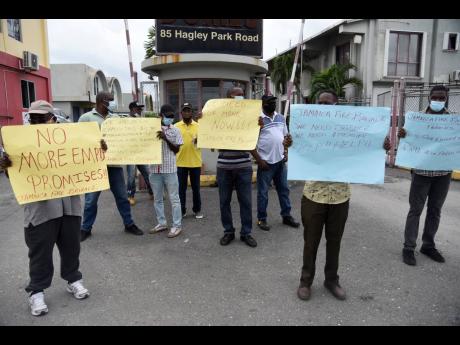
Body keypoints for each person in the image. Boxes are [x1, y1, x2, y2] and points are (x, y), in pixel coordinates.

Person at [297, 90, 391, 301]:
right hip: (314, 195)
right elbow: (293, 153)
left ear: (337, 106)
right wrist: (288, 144)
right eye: (320, 103)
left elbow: (365, 149)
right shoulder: (306, 127)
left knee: (335, 241)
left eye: (328, 103)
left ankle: (331, 280)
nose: (323, 107)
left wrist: (381, 147)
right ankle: (305, 281)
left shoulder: (350, 129)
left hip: (340, 196)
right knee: (310, 242)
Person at [0, 100, 92, 316]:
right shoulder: (20, 144)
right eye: (33, 118)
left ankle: (73, 279)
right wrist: (6, 165)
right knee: (39, 252)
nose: (38, 121)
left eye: (42, 117)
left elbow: (89, 159)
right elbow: (13, 173)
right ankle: (36, 291)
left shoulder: (70, 141)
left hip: (69, 206)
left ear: (52, 118)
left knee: (71, 247)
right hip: (40, 210)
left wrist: (98, 149)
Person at [79, 92, 143, 241]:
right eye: (111, 101)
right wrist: (96, 144)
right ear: (102, 101)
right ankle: (85, 228)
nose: (113, 104)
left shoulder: (115, 119)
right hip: (95, 166)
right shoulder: (86, 118)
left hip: (114, 165)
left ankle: (129, 224)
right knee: (90, 200)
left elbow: (127, 135)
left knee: (122, 196)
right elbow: (80, 141)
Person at [399, 85, 452, 266]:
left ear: (446, 98)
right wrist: (403, 135)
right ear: (429, 98)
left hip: (443, 173)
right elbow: (406, 140)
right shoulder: (416, 119)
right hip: (421, 173)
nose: (438, 100)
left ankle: (428, 245)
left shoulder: (453, 120)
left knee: (435, 210)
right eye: (435, 97)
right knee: (415, 210)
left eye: (441, 98)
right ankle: (408, 247)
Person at [215, 87, 265, 248]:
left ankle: (246, 233)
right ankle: (228, 231)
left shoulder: (250, 116)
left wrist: (259, 127)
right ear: (228, 98)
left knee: (246, 201)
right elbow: (211, 140)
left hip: (244, 166)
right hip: (224, 167)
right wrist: (204, 121)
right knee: (224, 202)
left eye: (242, 95)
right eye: (235, 95)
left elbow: (253, 140)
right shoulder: (219, 116)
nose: (240, 97)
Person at [255, 94, 300, 231]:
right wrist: (259, 160)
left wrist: (286, 150)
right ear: (263, 104)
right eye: (269, 102)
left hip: (280, 161)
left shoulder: (281, 117)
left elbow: (286, 138)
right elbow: (250, 141)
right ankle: (261, 219)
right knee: (263, 193)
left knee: (284, 190)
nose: (272, 104)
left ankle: (286, 215)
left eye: (274, 101)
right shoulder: (258, 120)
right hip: (265, 163)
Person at [148, 104, 184, 238]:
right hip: (154, 169)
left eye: (172, 116)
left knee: (174, 199)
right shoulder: (151, 129)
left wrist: (165, 138)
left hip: (169, 169)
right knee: (157, 199)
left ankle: (177, 226)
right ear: (160, 115)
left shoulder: (175, 130)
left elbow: (176, 150)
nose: (170, 118)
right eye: (167, 116)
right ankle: (161, 223)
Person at [176, 102, 204, 219]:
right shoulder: (176, 126)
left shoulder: (199, 126)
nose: (187, 112)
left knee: (196, 188)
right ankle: (182, 211)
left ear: (192, 112)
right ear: (181, 113)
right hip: (180, 162)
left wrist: (200, 140)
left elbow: (205, 141)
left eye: (189, 110)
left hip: (195, 162)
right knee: (181, 189)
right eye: (184, 110)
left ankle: (197, 210)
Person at [125, 101, 154, 206]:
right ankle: (130, 196)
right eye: (138, 109)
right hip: (130, 154)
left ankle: (152, 193)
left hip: (141, 153)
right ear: (132, 109)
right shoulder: (125, 121)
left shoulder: (141, 120)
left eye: (141, 109)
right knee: (131, 176)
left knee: (147, 173)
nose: (140, 111)